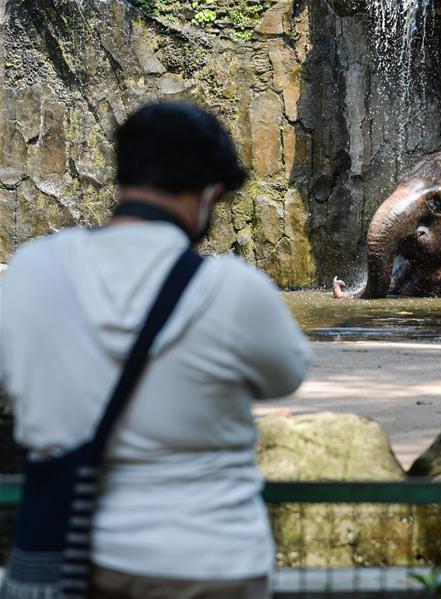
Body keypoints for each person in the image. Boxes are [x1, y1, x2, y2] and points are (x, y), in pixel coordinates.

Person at [0, 102, 313, 598]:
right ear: (210, 194)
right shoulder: (231, 288)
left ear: (122, 175)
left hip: (62, 557)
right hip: (204, 561)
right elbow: (287, 374)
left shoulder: (31, 270)